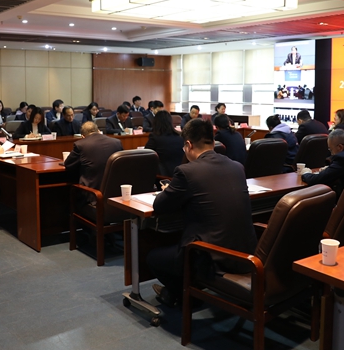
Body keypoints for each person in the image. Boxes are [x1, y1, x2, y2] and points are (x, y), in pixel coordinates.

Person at [146, 118, 257, 307]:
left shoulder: (187, 172)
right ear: (213, 142)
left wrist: (168, 190)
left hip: (212, 257)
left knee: (153, 258)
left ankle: (184, 296)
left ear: (188, 145)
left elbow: (159, 206)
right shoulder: (237, 167)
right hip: (245, 251)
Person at [64, 122, 123, 198]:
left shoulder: (80, 145)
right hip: (115, 195)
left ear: (83, 136)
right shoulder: (117, 142)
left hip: (92, 195)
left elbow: (68, 165)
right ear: (98, 131)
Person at [145, 110, 184, 177]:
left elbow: (146, 154)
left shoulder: (154, 137)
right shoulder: (180, 136)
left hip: (162, 176)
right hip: (180, 173)